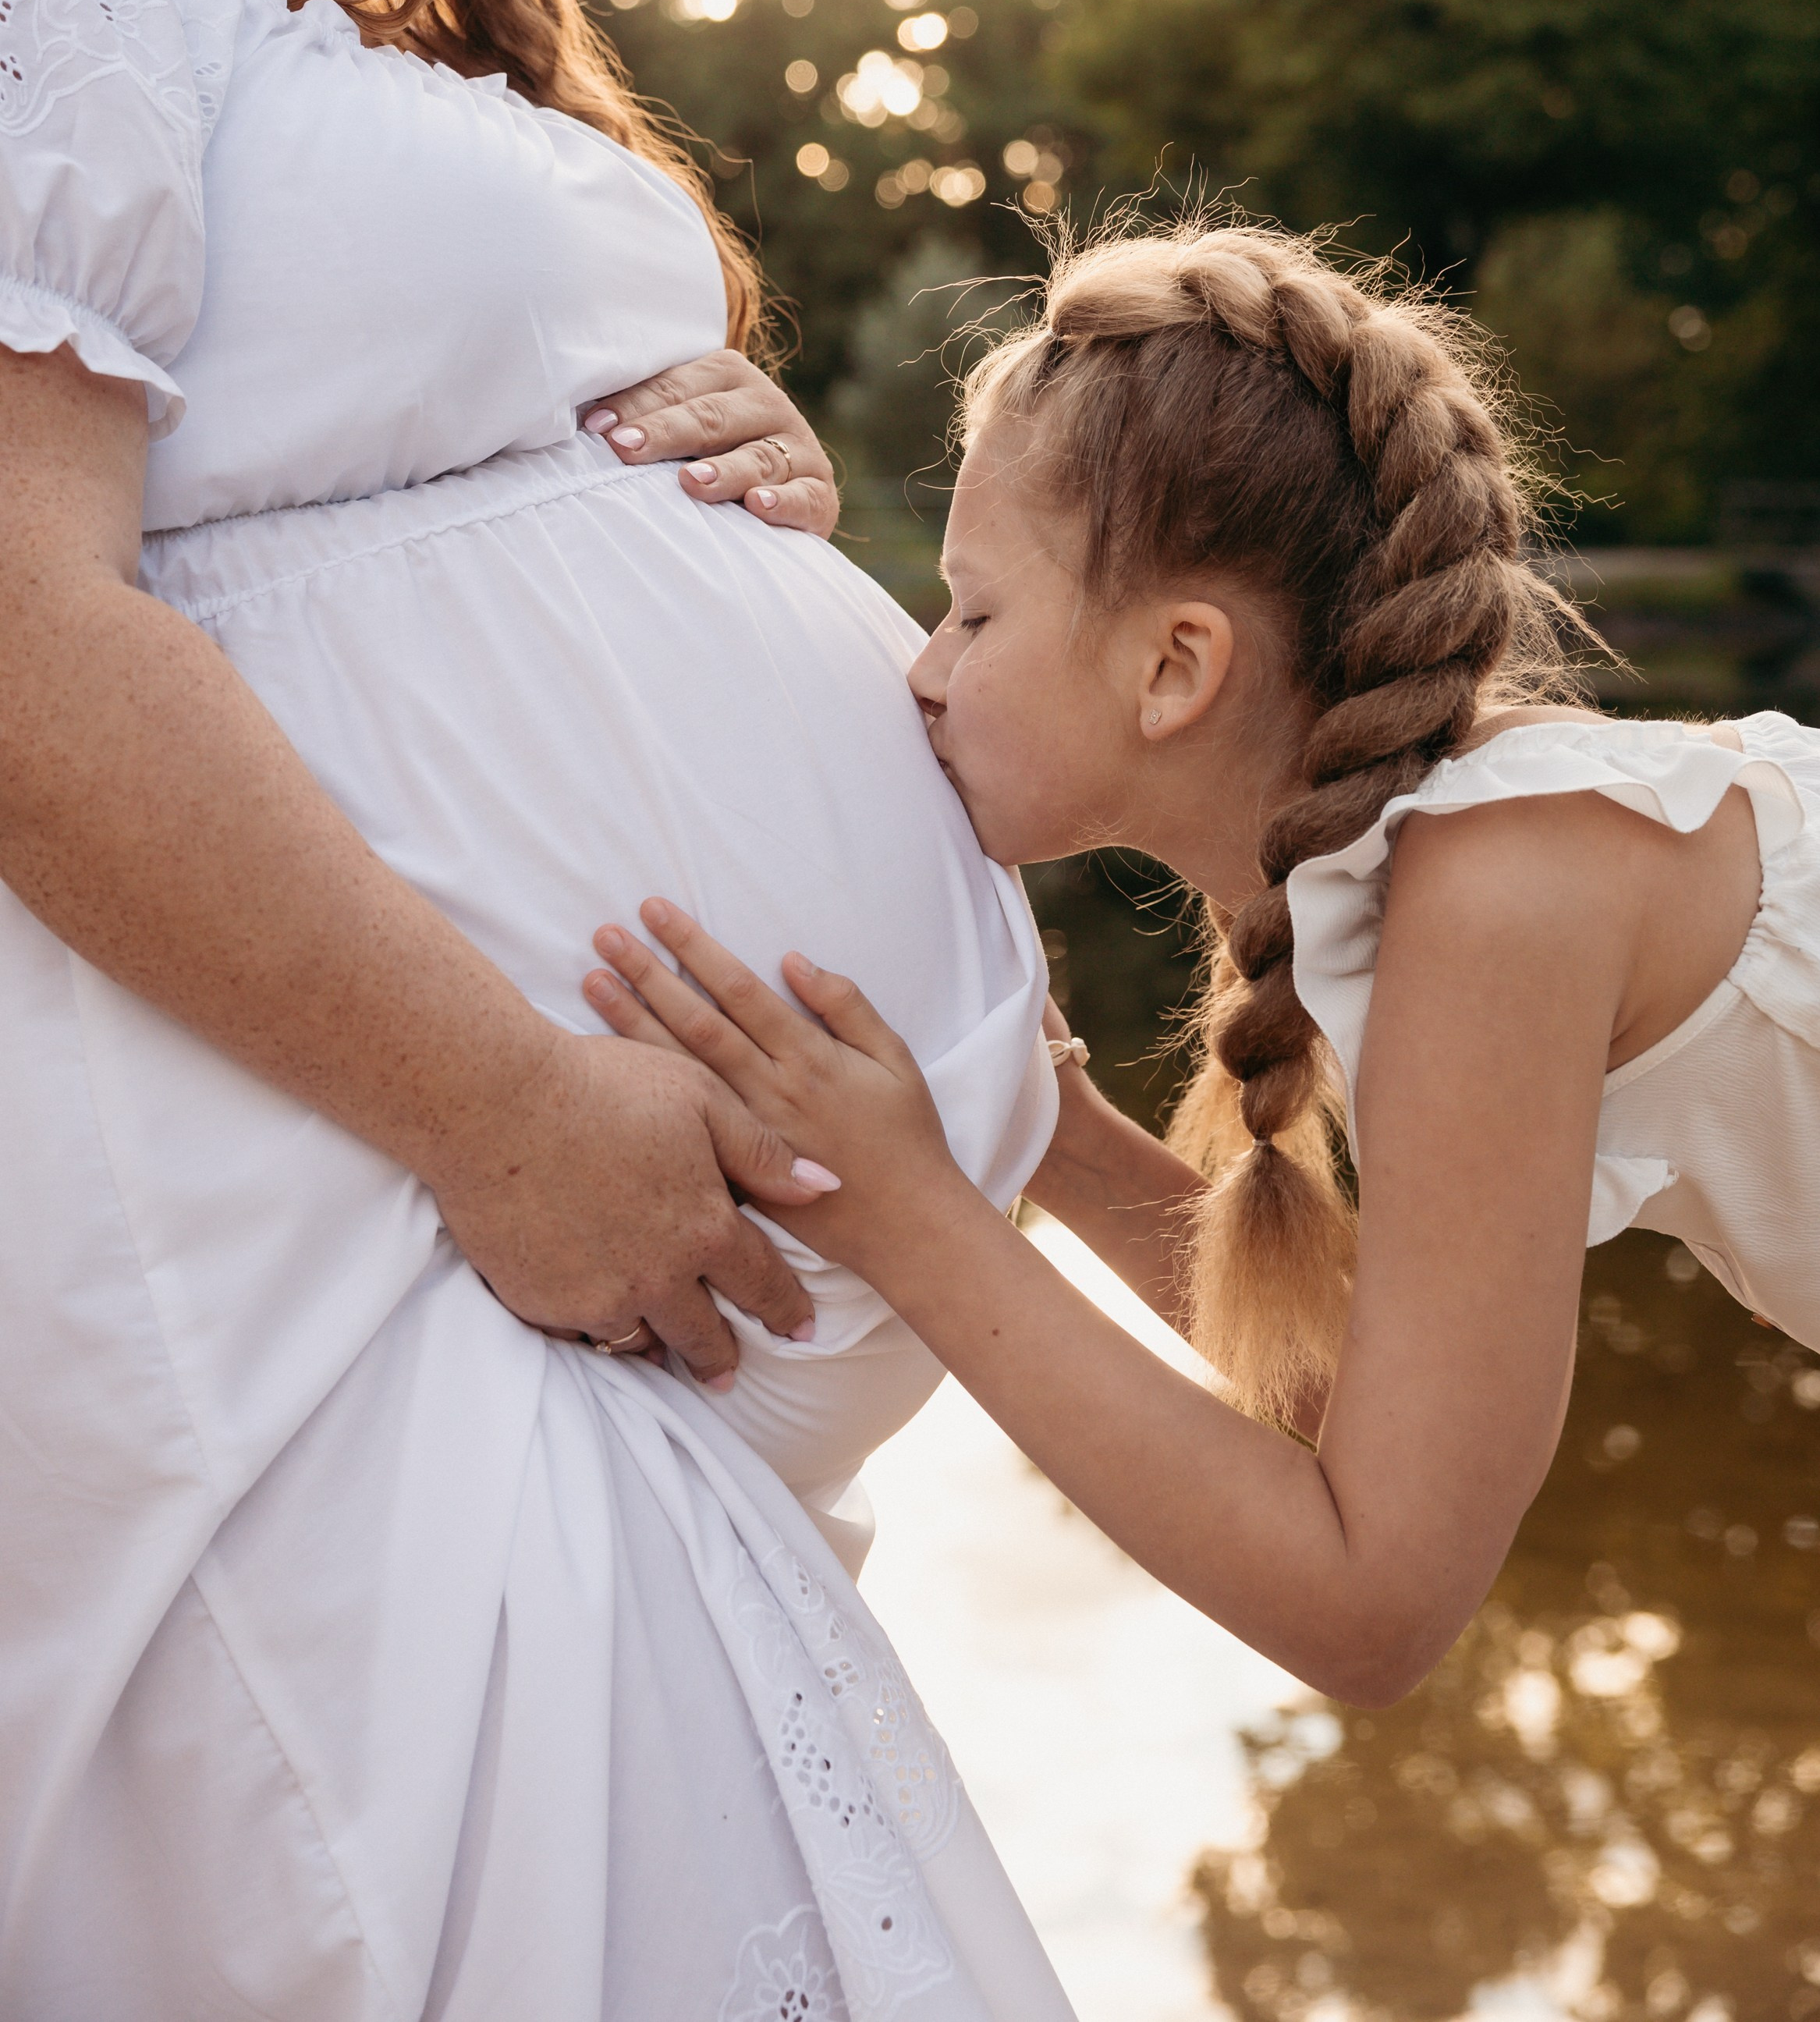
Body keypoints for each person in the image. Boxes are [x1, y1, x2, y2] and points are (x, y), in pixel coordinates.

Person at [0, 0, 1077, 2015]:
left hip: (504, 1295)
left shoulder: (249, 32)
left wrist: (686, 463)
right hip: (368, 1250)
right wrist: (499, 1111)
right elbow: (12, 623)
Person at [587, 218, 1820, 1712]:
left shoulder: (1500, 889)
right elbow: (1384, 1423)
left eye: (973, 612)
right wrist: (1057, 1138)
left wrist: (910, 1214)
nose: (924, 667)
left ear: (1174, 668)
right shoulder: (1434, 873)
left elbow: (1376, 1606)